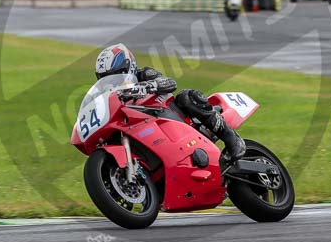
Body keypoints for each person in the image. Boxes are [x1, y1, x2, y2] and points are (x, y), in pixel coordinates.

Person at [94, 43, 246, 164]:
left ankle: (232, 139)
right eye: (105, 77)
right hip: (143, 128)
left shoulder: (143, 74)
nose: (112, 81)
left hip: (170, 115)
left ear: (128, 66)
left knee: (187, 96)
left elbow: (169, 83)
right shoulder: (111, 95)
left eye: (115, 75)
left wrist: (148, 85)